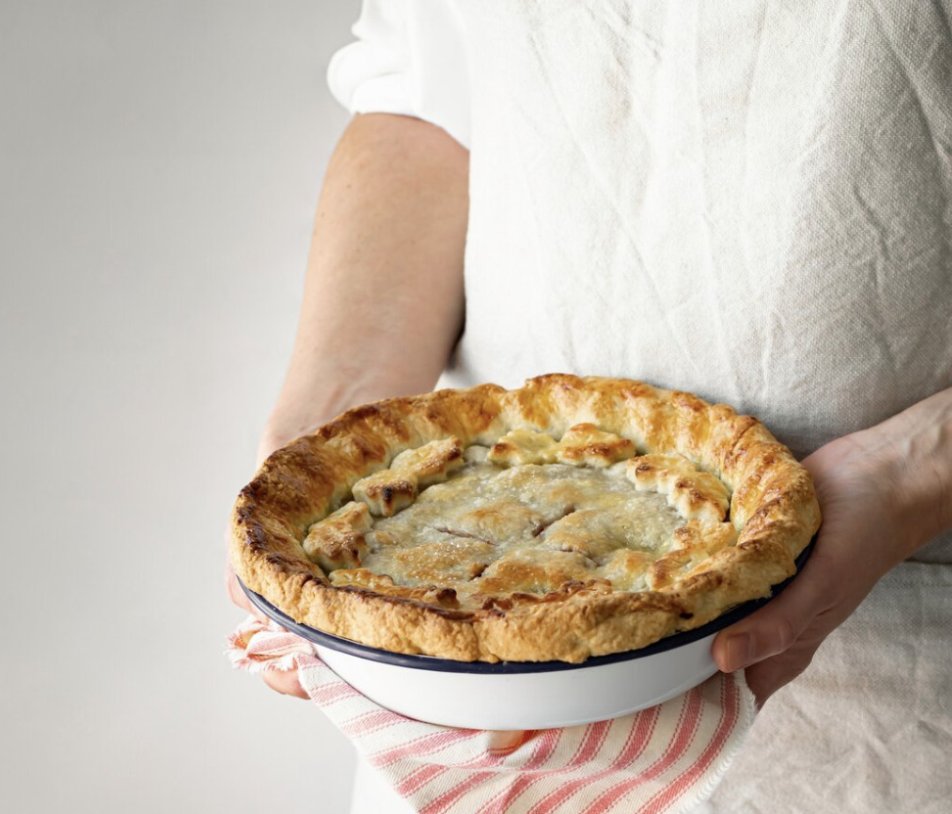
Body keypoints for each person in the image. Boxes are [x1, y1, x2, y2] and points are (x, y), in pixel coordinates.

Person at [227, 1, 952, 809]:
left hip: (885, 666)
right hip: (456, 607)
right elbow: (426, 98)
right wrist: (326, 434)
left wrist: (917, 470)